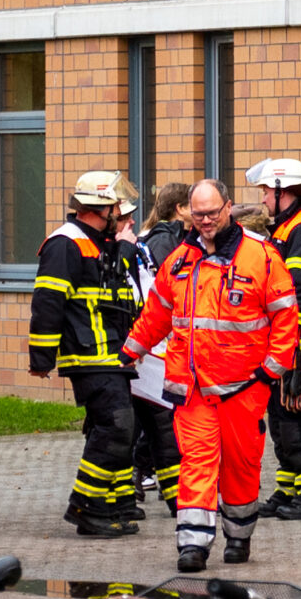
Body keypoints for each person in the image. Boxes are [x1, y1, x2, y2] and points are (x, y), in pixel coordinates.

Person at [120, 181, 300, 572]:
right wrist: (131, 350)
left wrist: (273, 370)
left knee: (240, 466)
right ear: (188, 212)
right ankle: (193, 546)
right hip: (193, 388)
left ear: (228, 208)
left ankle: (238, 534)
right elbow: (157, 314)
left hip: (244, 387)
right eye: (198, 214)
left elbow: (286, 315)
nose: (205, 221)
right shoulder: (180, 261)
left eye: (212, 213)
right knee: (197, 464)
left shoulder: (261, 257)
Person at [27, 170, 143, 538]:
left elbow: (113, 289)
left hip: (113, 353)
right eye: (116, 207)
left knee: (118, 427)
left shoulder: (97, 241)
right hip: (90, 353)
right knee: (116, 427)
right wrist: (42, 358)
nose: (123, 215)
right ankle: (86, 507)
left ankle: (116, 503)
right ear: (99, 208)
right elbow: (48, 302)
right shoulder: (66, 243)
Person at [250, 159, 301, 520]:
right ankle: (290, 488)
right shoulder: (285, 229)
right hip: (287, 344)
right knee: (283, 417)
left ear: (284, 191)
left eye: (268, 191)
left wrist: (283, 338)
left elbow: (300, 291)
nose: (264, 199)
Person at [114, 186, 180, 518]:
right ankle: (121, 495)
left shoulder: (136, 248)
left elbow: (152, 292)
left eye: (129, 216)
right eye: (122, 217)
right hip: (124, 354)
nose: (130, 221)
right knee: (122, 429)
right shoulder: (107, 250)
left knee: (163, 424)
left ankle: (177, 497)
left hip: (150, 351)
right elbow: (112, 292)